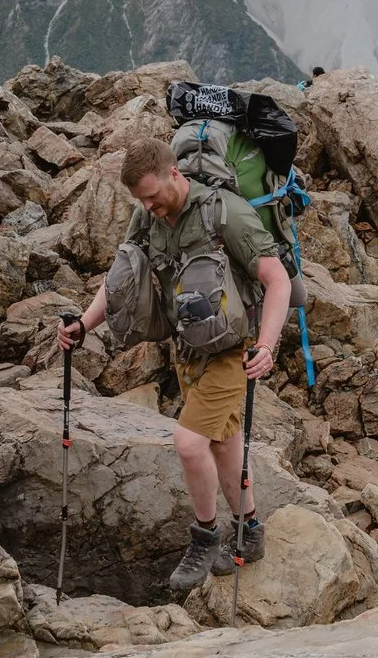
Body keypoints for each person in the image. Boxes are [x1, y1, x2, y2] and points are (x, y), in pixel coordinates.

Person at [59, 137, 294, 591]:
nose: (148, 206)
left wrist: (266, 345)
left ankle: (205, 535)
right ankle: (250, 530)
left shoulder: (224, 212)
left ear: (175, 175)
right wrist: (85, 325)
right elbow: (121, 278)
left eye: (152, 195)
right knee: (223, 444)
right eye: (140, 200)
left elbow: (276, 279)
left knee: (189, 442)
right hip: (187, 349)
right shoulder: (148, 216)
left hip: (233, 350)